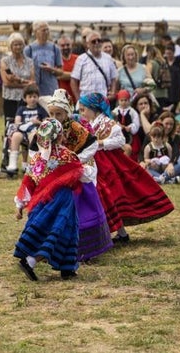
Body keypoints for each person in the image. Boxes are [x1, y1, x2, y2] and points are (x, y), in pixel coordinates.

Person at [78, 93, 174, 240]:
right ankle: (118, 233)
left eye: (84, 109)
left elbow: (120, 140)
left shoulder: (107, 123)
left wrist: (101, 143)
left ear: (93, 108)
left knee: (111, 196)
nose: (82, 113)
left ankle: (111, 233)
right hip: (97, 163)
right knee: (107, 197)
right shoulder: (90, 124)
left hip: (109, 164)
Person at [46, 88, 113, 259]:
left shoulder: (76, 128)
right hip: (60, 171)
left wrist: (75, 160)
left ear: (66, 113)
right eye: (51, 114)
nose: (55, 118)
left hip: (80, 171)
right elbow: (39, 147)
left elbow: (92, 145)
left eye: (58, 114)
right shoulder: (49, 127)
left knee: (81, 208)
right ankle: (56, 246)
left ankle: (86, 249)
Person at [13, 119, 83, 281]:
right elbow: (81, 174)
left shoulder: (37, 158)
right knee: (62, 229)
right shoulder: (67, 155)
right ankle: (30, 261)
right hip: (62, 200)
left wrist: (20, 205)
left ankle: (68, 267)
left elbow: (28, 182)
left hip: (41, 202)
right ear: (59, 136)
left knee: (49, 230)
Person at [6, 84, 49, 173]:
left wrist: (38, 122)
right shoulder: (21, 109)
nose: (33, 99)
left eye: (35, 96)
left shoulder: (40, 110)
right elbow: (17, 122)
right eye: (30, 97)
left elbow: (46, 123)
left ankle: (33, 163)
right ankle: (12, 164)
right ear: (25, 98)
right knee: (16, 136)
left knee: (33, 136)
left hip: (35, 131)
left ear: (38, 97)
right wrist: (23, 124)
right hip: (23, 131)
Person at [70, 30, 118, 102]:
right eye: (93, 41)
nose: (97, 43)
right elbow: (73, 80)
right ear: (87, 44)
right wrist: (78, 99)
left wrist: (113, 93)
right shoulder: (81, 59)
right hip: (87, 101)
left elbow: (114, 78)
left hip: (103, 100)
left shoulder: (108, 58)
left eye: (99, 40)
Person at [24, 21, 62, 108]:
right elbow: (25, 70)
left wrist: (51, 69)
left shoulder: (54, 48)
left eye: (47, 30)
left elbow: (60, 72)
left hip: (51, 88)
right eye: (43, 30)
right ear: (36, 32)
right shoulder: (29, 49)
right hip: (35, 90)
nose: (46, 32)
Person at [1, 32, 35, 123]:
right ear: (11, 46)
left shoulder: (29, 61)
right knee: (10, 123)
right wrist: (25, 83)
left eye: (20, 44)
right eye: (15, 44)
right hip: (10, 98)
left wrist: (16, 81)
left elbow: (32, 81)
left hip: (26, 98)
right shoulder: (5, 61)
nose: (18, 47)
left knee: (26, 123)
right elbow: (7, 83)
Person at [112, 89, 140, 158]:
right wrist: (118, 126)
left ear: (129, 100)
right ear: (118, 101)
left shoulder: (133, 112)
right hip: (118, 135)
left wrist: (131, 127)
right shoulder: (115, 111)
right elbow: (112, 121)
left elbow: (136, 123)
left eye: (125, 100)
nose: (124, 102)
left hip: (130, 136)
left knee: (132, 152)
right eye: (122, 100)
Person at [146, 44, 171, 110]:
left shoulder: (151, 63)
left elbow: (147, 77)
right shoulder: (163, 62)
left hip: (155, 93)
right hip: (164, 92)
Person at [56, 35, 79, 104]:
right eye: (62, 45)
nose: (65, 47)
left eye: (68, 45)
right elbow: (59, 76)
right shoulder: (56, 60)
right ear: (58, 47)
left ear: (71, 45)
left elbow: (83, 75)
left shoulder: (78, 59)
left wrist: (64, 74)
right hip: (61, 100)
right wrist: (76, 75)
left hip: (77, 99)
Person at [164, 43, 180, 113]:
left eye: (170, 53)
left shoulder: (179, 60)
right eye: (167, 54)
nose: (168, 55)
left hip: (177, 84)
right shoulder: (164, 61)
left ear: (173, 52)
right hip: (167, 85)